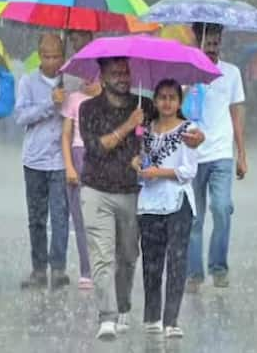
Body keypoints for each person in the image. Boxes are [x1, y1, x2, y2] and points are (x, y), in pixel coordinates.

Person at [78, 57, 205, 340]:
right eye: (116, 73)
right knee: (101, 256)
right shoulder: (88, 109)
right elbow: (97, 149)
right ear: (102, 75)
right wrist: (128, 125)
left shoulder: (145, 105)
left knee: (128, 256)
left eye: (126, 72)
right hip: (96, 189)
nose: (123, 77)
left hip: (132, 193)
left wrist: (200, 137)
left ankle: (125, 308)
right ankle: (107, 316)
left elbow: (175, 124)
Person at [134, 79, 198, 339]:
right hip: (149, 203)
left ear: (179, 102)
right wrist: (138, 165)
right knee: (151, 261)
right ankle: (152, 316)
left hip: (177, 202)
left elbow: (188, 171)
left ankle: (171, 319)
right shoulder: (146, 130)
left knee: (176, 260)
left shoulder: (189, 130)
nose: (167, 102)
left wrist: (158, 172)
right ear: (156, 100)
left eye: (172, 97)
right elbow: (139, 160)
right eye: (162, 97)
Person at [186, 22, 247, 293]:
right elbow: (174, 107)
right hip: (191, 155)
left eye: (215, 43)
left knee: (222, 209)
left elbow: (236, 113)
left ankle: (219, 267)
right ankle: (194, 274)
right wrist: (192, 82)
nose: (211, 48)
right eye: (206, 43)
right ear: (196, 41)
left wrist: (241, 152)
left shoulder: (231, 73)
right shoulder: (184, 70)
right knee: (193, 219)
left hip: (221, 154)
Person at [14, 34, 70, 290]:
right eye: (46, 56)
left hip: (60, 159)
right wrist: (50, 103)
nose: (51, 62)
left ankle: (58, 268)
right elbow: (21, 116)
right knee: (36, 218)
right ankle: (38, 269)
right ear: (39, 55)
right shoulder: (27, 82)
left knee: (60, 216)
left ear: (63, 55)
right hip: (34, 160)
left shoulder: (69, 81)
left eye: (56, 56)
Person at [61, 78, 101, 290]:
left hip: (102, 159)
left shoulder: (111, 100)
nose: (89, 80)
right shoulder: (73, 99)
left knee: (102, 217)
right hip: (78, 156)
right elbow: (66, 134)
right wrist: (69, 165)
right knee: (80, 218)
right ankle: (87, 269)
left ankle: (104, 267)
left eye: (94, 75)